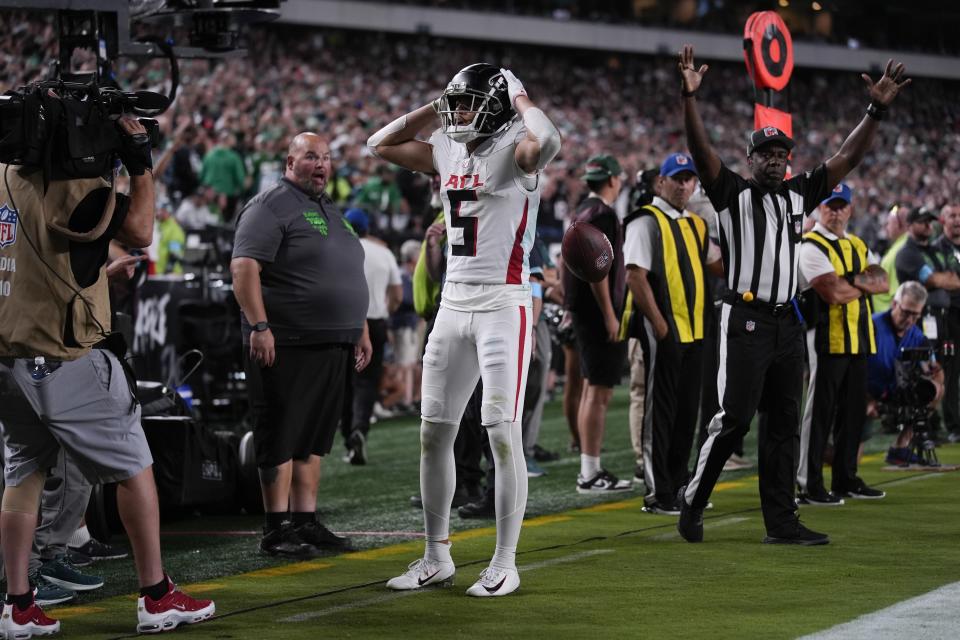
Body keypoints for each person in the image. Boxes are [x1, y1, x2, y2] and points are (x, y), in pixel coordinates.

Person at [675, 44, 910, 545]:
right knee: (735, 418)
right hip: (745, 319)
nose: (778, 162)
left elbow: (846, 158)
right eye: (768, 154)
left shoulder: (798, 192)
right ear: (751, 157)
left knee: (784, 425)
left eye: (784, 155)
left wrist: (876, 111)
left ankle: (781, 522)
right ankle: (693, 498)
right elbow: (701, 153)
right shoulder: (731, 191)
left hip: (787, 323)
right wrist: (689, 99)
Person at [0, 117, 214, 636]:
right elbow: (141, 229)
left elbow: (40, 249)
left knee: (22, 476)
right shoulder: (76, 179)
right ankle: (156, 596)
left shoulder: (4, 172)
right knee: (134, 466)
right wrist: (139, 159)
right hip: (64, 351)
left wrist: (94, 274)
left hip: (10, 352)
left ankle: (17, 604)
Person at [368, 63, 561, 596]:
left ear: (497, 105)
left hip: (504, 301)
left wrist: (520, 98)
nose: (458, 114)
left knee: (502, 433)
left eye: (467, 104)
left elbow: (549, 138)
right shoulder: (446, 147)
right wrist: (437, 103)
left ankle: (505, 561)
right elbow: (378, 142)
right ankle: (436, 555)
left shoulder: (519, 150)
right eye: (456, 104)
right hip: (453, 303)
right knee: (434, 432)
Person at [231, 132, 372, 559]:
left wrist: (359, 326)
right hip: (285, 341)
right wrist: (259, 326)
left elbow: (346, 273)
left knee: (313, 439)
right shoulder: (269, 205)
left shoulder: (329, 208)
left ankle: (306, 522)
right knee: (281, 436)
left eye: (327, 158)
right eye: (312, 156)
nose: (322, 164)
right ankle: (277, 530)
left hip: (333, 341)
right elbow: (244, 268)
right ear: (289, 160)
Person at [624, 152, 721, 514]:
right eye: (676, 178)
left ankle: (680, 483)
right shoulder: (645, 221)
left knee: (686, 412)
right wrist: (660, 325)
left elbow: (715, 264)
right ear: (660, 182)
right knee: (660, 413)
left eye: (688, 179)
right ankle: (657, 492)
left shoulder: (696, 224)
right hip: (667, 330)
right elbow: (634, 275)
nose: (683, 185)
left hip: (696, 330)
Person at [797, 183, 889, 506]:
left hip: (859, 337)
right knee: (819, 413)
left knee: (853, 413)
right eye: (829, 205)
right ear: (819, 208)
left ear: (850, 209)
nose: (835, 211)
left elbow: (884, 281)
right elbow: (831, 293)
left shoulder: (859, 244)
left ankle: (845, 478)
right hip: (826, 337)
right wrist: (862, 283)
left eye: (841, 205)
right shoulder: (810, 245)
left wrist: (850, 283)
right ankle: (808, 483)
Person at [563, 154, 631, 494]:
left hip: (581, 310)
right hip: (595, 311)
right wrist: (609, 313)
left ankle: (590, 468)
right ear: (613, 179)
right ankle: (590, 471)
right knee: (598, 392)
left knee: (591, 388)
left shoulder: (583, 210)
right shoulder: (602, 214)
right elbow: (597, 267)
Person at [342, 207, 402, 465]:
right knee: (367, 383)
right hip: (376, 322)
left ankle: (348, 438)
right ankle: (360, 429)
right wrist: (383, 311)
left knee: (345, 383)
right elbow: (397, 295)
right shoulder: (384, 252)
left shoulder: (341, 249)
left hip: (345, 321)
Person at [867, 282, 944, 464]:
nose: (909, 319)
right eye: (906, 312)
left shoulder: (917, 335)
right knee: (849, 458)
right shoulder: (872, 325)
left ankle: (900, 447)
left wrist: (934, 375)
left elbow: (935, 369)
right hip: (863, 392)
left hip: (896, 391)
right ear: (895, 304)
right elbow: (852, 368)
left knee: (936, 388)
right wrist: (867, 399)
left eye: (915, 315)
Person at [934, 202, 960, 443]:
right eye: (952, 215)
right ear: (943, 220)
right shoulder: (936, 249)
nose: (957, 220)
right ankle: (954, 425)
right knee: (950, 372)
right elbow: (940, 281)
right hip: (950, 318)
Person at [872, 206, 908, 313]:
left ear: (898, 225)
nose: (886, 228)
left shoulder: (901, 250)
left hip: (889, 315)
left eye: (888, 223)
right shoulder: (900, 245)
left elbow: (898, 293)